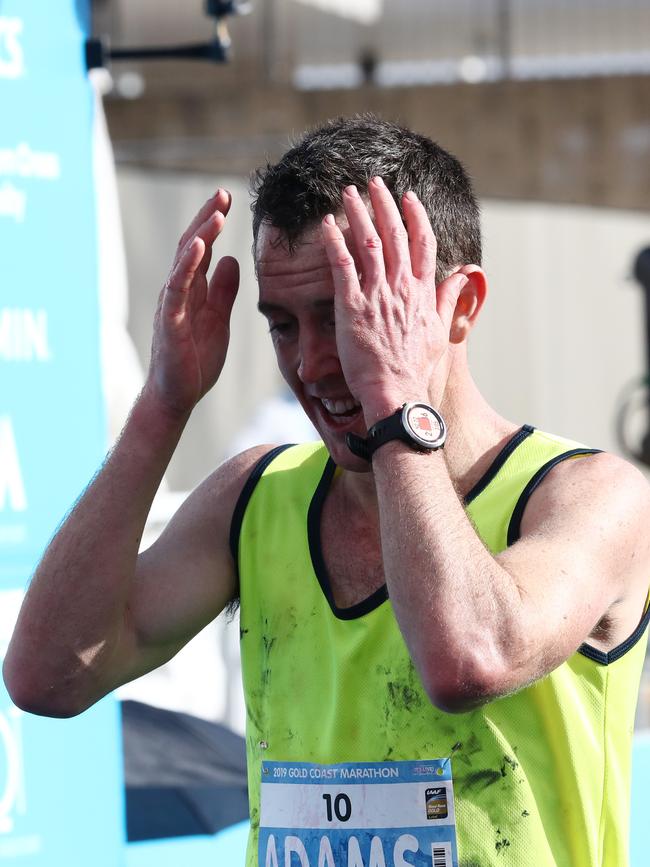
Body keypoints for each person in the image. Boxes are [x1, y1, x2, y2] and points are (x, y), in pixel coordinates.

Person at [3, 115, 650, 867]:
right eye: (282, 325)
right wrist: (163, 406)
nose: (312, 363)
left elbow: (466, 658)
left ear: (460, 305)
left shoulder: (590, 496)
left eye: (349, 316)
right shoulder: (257, 496)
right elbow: (46, 675)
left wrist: (394, 398)